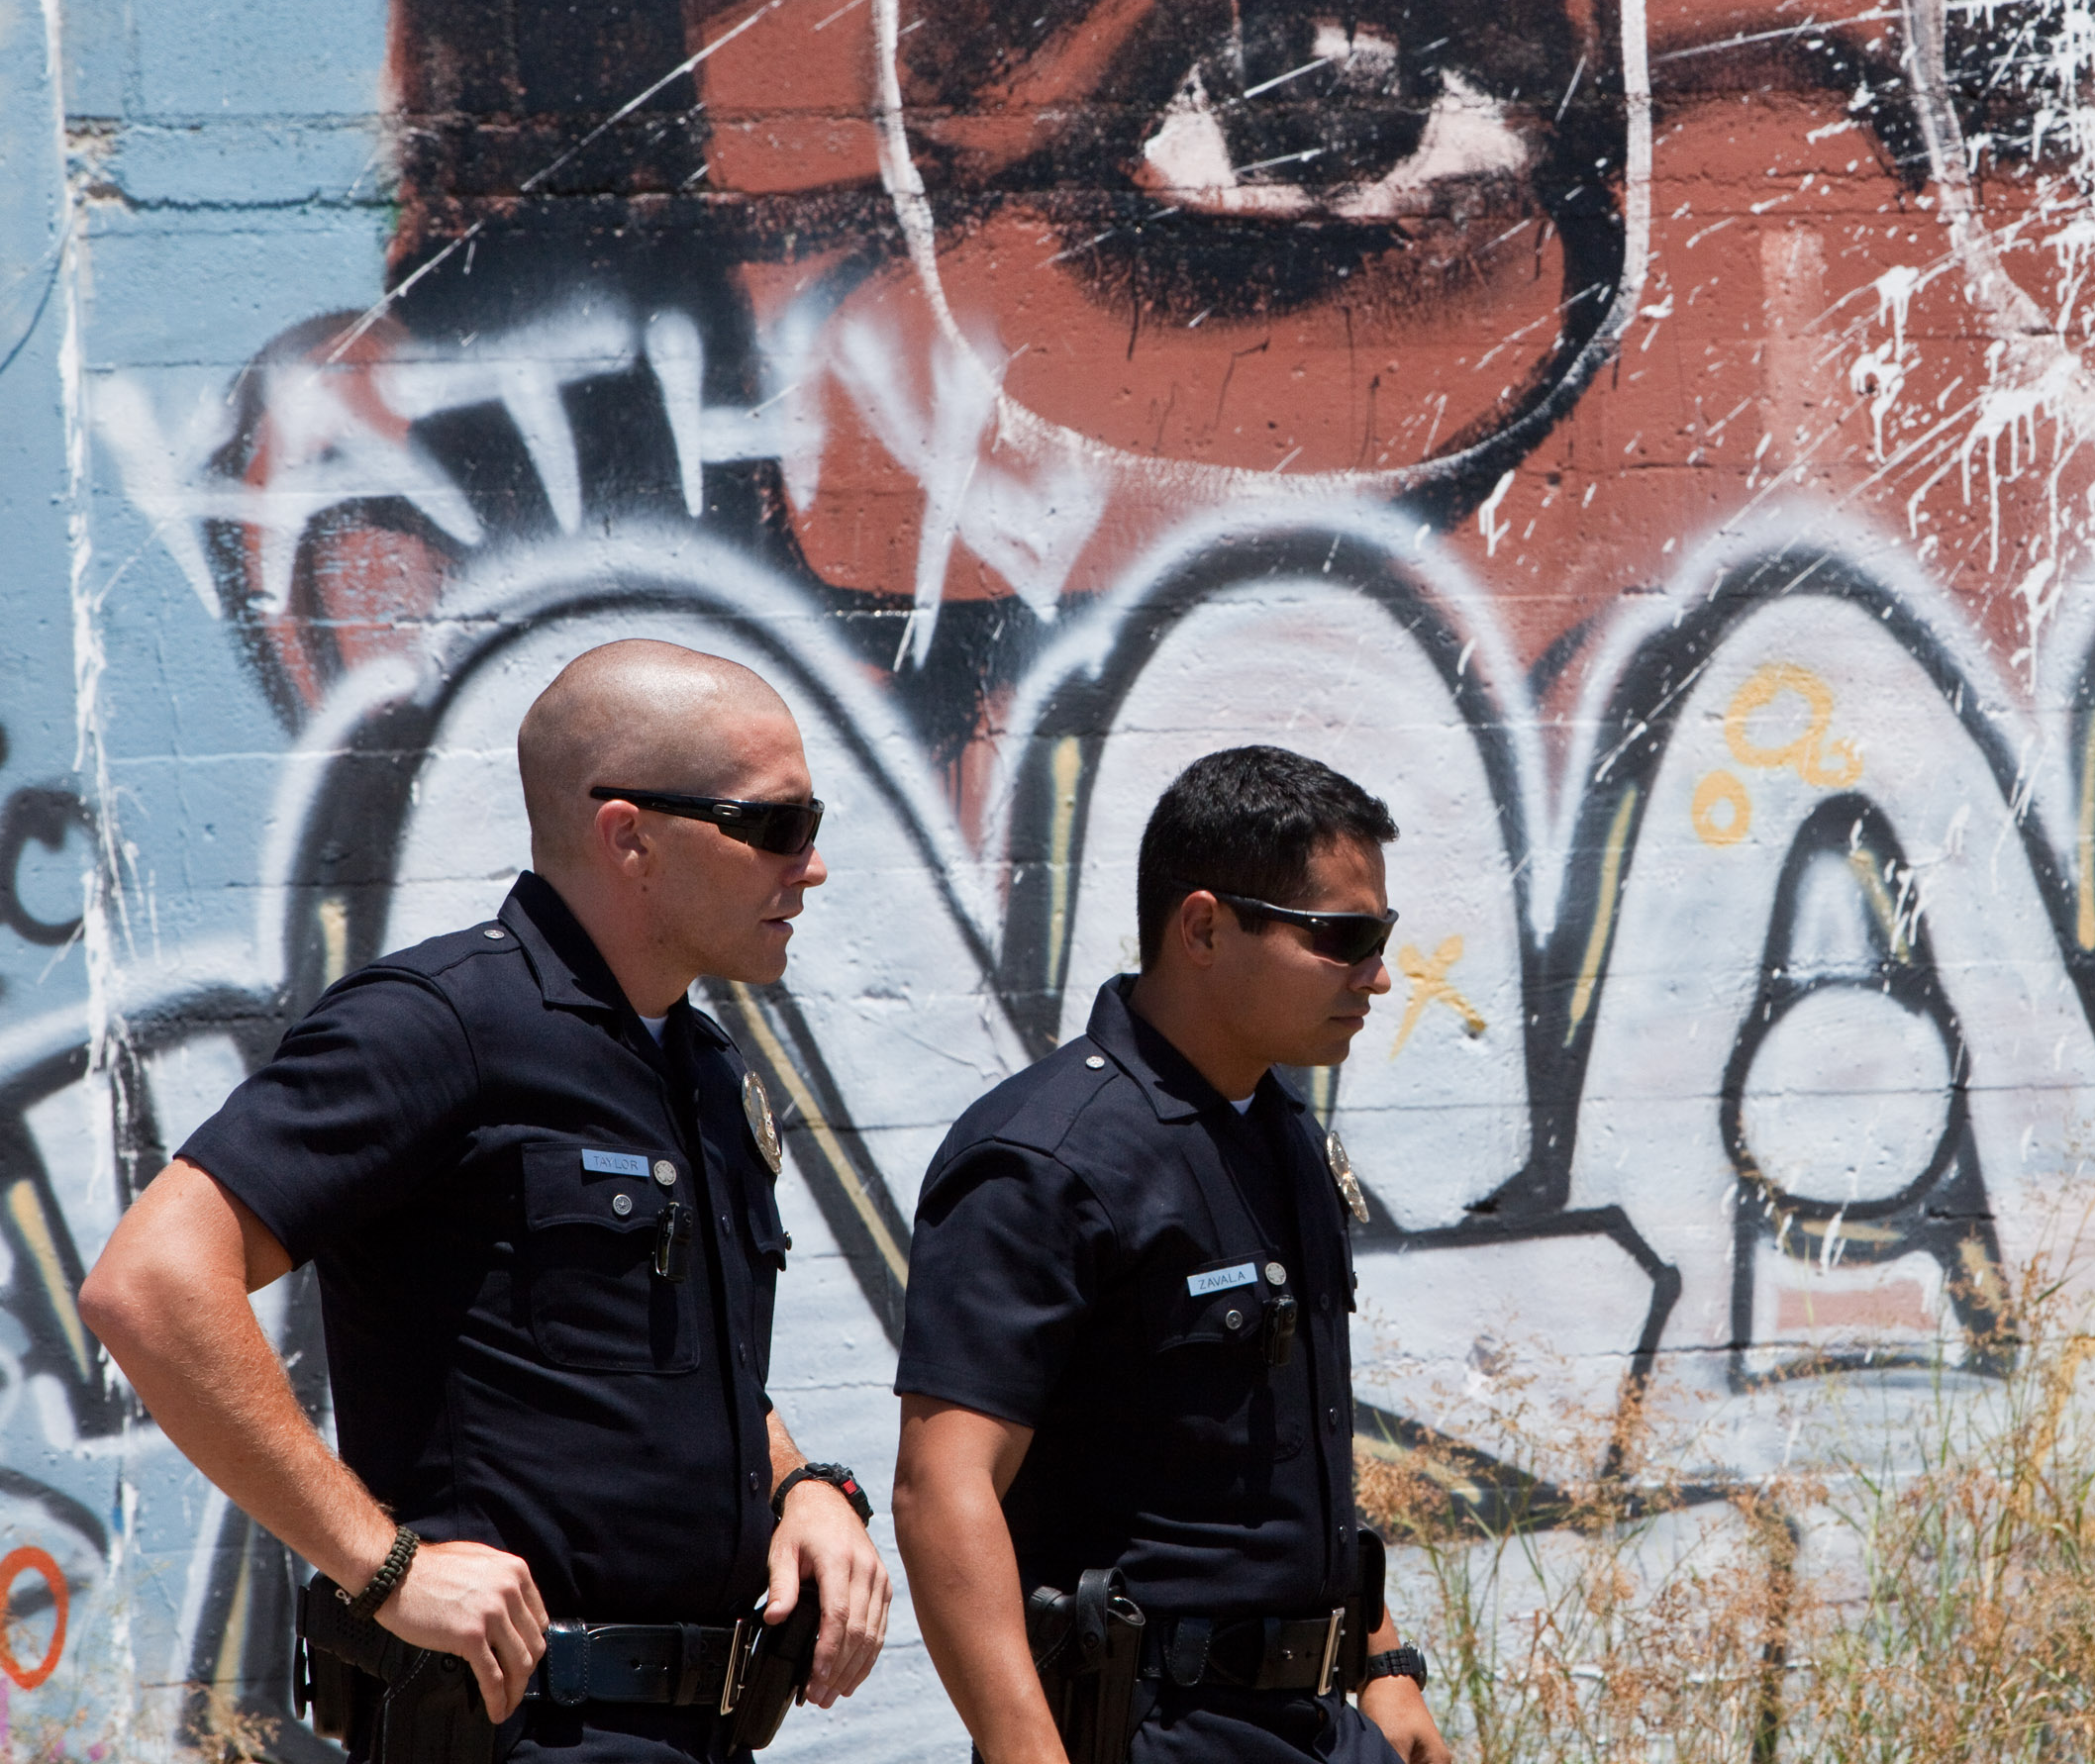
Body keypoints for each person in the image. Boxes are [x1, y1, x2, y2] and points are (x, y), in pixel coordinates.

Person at [78, 639, 891, 1761]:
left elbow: (676, 1364)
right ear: (630, 835)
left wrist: (802, 1485)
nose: (809, 864)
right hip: (519, 1729)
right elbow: (151, 1281)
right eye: (775, 824)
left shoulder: (702, 1068)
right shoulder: (439, 1024)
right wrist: (388, 1566)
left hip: (702, 1733)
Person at [892, 744, 1449, 1764]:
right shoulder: (1045, 1158)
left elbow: (1286, 1453)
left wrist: (1381, 1659)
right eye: (1343, 935)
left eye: (1382, 933)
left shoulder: (1278, 1130)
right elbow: (942, 1484)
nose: (1378, 972)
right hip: (1153, 1730)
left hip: (1320, 1724)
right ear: (1203, 925)